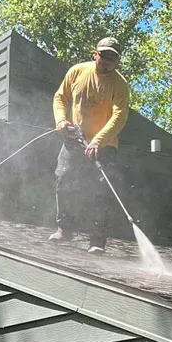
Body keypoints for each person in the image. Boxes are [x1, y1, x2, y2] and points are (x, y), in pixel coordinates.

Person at [49, 37, 130, 253]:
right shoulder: (77, 72)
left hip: (104, 147)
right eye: (103, 55)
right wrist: (61, 121)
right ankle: (64, 230)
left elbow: (119, 116)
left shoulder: (119, 85)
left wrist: (98, 141)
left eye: (112, 58)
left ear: (117, 62)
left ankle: (97, 241)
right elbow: (60, 97)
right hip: (74, 140)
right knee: (64, 179)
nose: (106, 61)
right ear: (95, 54)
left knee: (100, 191)